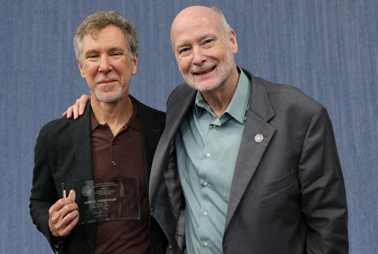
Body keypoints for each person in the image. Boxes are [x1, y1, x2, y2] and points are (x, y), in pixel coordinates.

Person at [65, 6, 348, 254]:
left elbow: (329, 225)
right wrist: (93, 104)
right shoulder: (179, 105)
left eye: (207, 42)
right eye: (185, 49)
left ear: (232, 41)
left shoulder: (300, 116)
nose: (198, 58)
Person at [29, 11, 167, 254]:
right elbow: (39, 201)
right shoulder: (54, 137)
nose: (104, 66)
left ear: (133, 62)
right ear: (82, 68)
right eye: (93, 56)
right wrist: (51, 224)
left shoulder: (165, 129)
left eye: (115, 53)